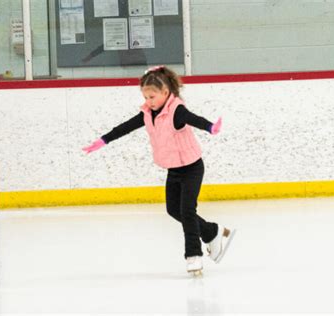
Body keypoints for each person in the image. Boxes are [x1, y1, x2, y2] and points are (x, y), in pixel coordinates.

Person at [82, 65, 236, 275]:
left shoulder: (176, 110)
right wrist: (103, 140)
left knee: (187, 211)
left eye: (152, 96)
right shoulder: (147, 113)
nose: (149, 101)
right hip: (173, 169)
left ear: (165, 93)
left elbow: (194, 119)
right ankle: (213, 232)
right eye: (145, 97)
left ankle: (194, 256)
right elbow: (125, 127)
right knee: (173, 209)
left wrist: (210, 127)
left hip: (191, 168)